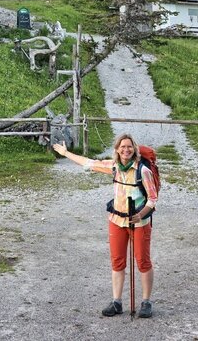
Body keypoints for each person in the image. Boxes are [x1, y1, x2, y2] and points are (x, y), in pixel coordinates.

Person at [53, 134, 158, 319]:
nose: (126, 150)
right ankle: (116, 302)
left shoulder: (143, 171)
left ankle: (146, 302)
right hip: (116, 220)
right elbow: (88, 163)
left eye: (129, 147)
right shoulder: (114, 167)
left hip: (139, 222)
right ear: (117, 149)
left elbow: (152, 198)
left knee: (142, 261)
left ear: (134, 149)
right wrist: (65, 153)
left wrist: (140, 214)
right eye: (123, 147)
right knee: (117, 261)